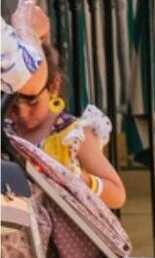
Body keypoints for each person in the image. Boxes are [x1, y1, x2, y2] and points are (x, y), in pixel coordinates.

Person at [4, 48, 125, 209]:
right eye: (12, 107)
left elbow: (117, 195)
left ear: (54, 86)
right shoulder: (6, 131)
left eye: (33, 103)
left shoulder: (72, 135)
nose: (23, 114)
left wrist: (80, 179)